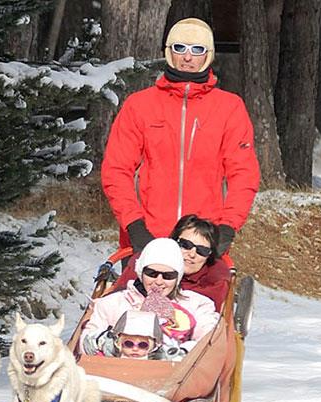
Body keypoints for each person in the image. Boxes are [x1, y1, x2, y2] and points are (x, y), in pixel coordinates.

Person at [101, 18, 260, 256]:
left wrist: (226, 228)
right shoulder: (139, 105)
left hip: (203, 241)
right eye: (180, 48)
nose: (187, 57)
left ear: (208, 55)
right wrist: (134, 225)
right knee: (138, 294)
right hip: (147, 238)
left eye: (197, 50)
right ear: (168, 52)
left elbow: (244, 175)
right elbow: (116, 169)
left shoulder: (230, 108)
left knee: (202, 295)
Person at [80, 238, 219, 355]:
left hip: (172, 378)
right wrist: (103, 341)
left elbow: (208, 340)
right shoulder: (112, 303)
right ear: (141, 273)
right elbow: (84, 340)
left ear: (178, 277)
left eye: (168, 276)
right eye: (151, 274)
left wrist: (181, 352)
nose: (159, 281)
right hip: (115, 376)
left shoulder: (196, 304)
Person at [114, 215, 231, 310]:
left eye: (202, 250)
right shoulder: (148, 261)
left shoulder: (215, 279)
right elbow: (119, 295)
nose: (192, 254)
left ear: (209, 255)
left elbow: (207, 316)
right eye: (186, 245)